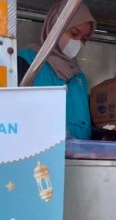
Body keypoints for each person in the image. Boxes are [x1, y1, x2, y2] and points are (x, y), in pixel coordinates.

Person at [17, 1, 96, 140]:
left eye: (84, 39)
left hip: (79, 158)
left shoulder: (79, 77)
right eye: (74, 33)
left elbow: (85, 122)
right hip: (41, 158)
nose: (77, 42)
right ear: (55, 26)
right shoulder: (28, 62)